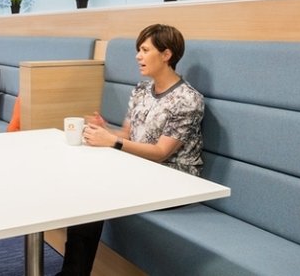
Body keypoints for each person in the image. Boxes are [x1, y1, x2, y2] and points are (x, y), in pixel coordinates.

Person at [57, 23, 204, 276]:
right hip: (138, 168)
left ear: (166, 54)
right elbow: (127, 134)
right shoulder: (141, 90)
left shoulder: (188, 100)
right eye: (139, 50)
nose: (138, 56)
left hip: (174, 179)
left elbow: (161, 152)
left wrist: (112, 142)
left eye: (145, 50)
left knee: (91, 193)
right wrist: (105, 130)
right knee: (81, 178)